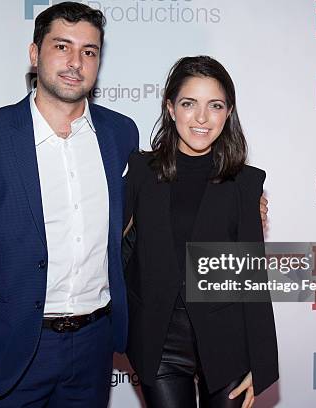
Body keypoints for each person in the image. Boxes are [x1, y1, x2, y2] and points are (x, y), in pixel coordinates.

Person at [0, 3, 138, 406]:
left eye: (89, 51)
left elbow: (150, 211)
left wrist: (235, 202)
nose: (75, 62)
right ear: (34, 54)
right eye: (62, 46)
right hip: (5, 350)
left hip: (94, 349)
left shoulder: (120, 134)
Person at [123, 56, 279, 408]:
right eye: (189, 103)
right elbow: (115, 245)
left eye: (215, 105)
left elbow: (250, 279)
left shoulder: (246, 183)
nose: (202, 118)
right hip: (159, 339)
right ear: (170, 107)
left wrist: (261, 360)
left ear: (228, 112)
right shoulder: (140, 172)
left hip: (228, 338)